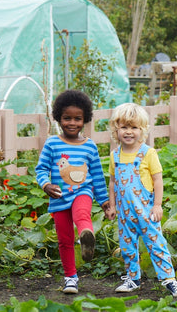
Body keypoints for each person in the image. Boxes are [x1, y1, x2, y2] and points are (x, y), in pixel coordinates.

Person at [106, 103, 177, 298]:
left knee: (156, 244)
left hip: (146, 211)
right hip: (125, 214)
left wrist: (158, 205)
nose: (129, 132)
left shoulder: (148, 153)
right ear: (115, 129)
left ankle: (169, 279)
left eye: (134, 127)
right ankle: (132, 279)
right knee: (127, 247)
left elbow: (157, 180)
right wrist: (112, 205)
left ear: (142, 130)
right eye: (124, 127)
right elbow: (112, 182)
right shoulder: (115, 156)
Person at [35, 89, 111, 294]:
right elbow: (41, 169)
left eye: (78, 119)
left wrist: (104, 201)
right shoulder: (52, 143)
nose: (72, 123)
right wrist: (46, 185)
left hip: (82, 192)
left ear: (85, 120)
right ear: (58, 118)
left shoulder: (90, 146)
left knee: (82, 214)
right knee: (64, 239)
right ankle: (71, 277)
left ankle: (86, 234)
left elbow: (96, 174)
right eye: (67, 118)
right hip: (59, 197)